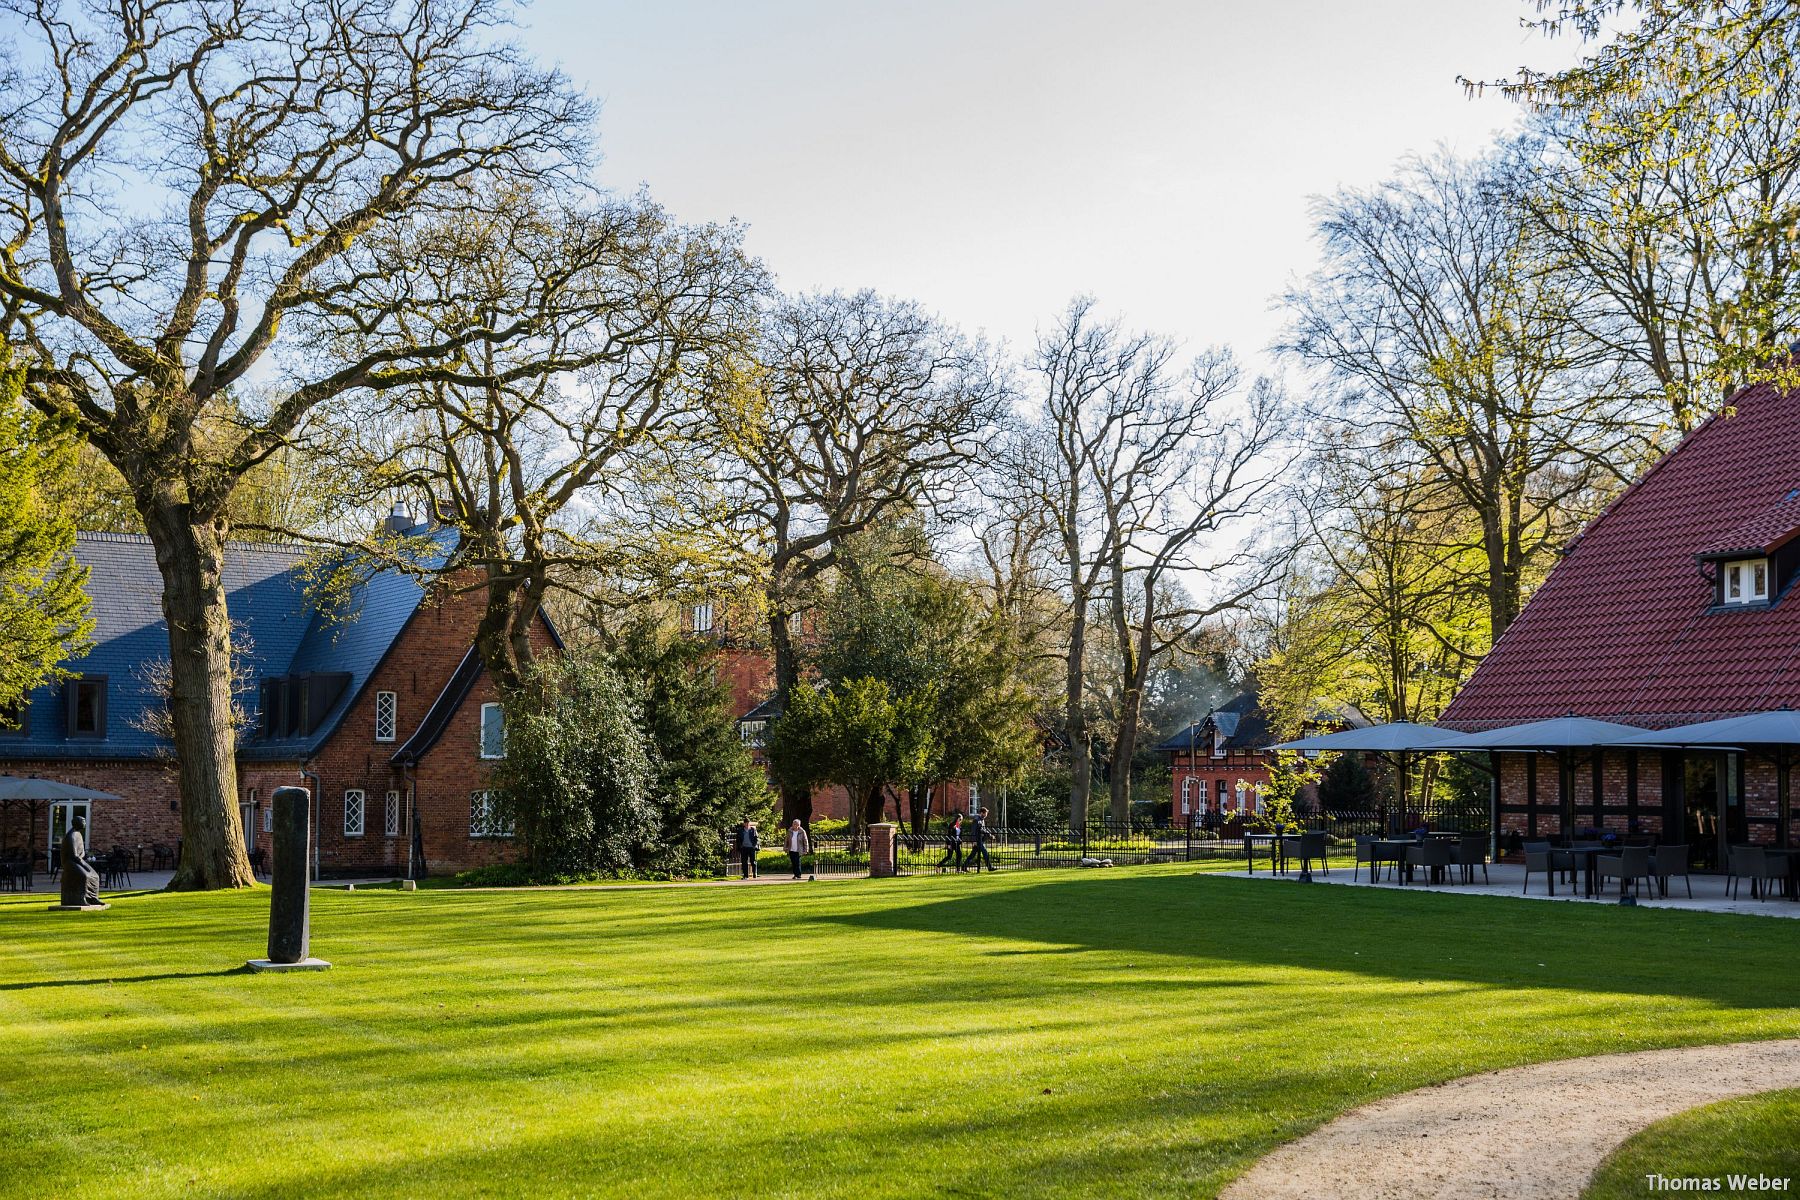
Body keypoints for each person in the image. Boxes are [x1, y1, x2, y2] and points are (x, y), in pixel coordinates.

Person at [964, 808, 994, 873]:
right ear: (981, 813)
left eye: (986, 813)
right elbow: (973, 831)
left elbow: (983, 830)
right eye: (985, 813)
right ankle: (990, 867)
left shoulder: (982, 820)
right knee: (985, 852)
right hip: (977, 840)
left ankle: (964, 866)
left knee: (973, 854)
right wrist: (974, 841)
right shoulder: (976, 820)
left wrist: (989, 835)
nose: (986, 815)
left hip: (981, 839)